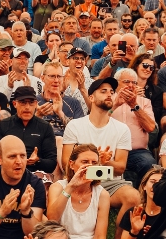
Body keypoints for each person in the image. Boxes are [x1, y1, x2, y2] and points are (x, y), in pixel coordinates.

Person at [60, 77, 141, 214]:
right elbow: (66, 163)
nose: (109, 94)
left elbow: (120, 168)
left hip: (110, 183)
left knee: (133, 197)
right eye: (103, 91)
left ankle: (120, 236)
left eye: (111, 91)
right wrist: (92, 163)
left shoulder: (122, 129)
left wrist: (106, 162)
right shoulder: (75, 126)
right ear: (91, 98)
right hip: (80, 181)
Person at [0, 85, 58, 175]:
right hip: (7, 172)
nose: (27, 107)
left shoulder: (45, 127)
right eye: (23, 102)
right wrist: (9, 160)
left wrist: (37, 161)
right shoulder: (3, 125)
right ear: (15, 104)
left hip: (35, 173)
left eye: (31, 103)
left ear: (36, 104)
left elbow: (52, 163)